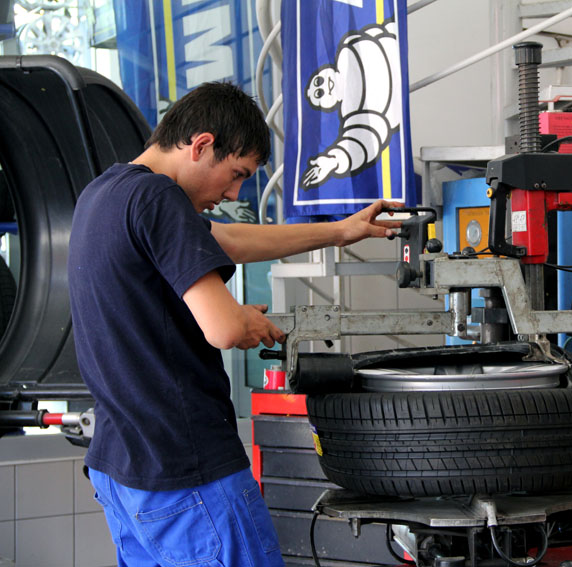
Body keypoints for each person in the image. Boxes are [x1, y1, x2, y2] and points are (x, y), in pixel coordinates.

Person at [67, 81, 402, 567]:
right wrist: (242, 317)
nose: (232, 193)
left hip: (122, 471)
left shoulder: (104, 194)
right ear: (201, 144)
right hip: (186, 469)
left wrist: (341, 231)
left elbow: (230, 240)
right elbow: (223, 329)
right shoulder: (159, 198)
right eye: (236, 174)